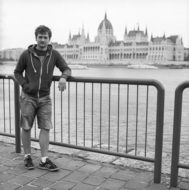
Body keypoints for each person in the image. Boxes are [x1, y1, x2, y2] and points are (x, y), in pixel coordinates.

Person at [14, 25, 71, 171]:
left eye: (45, 37)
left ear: (49, 39)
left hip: (45, 98)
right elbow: (17, 72)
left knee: (45, 128)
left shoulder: (54, 55)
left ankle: (44, 160)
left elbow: (66, 68)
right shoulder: (26, 54)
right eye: (40, 37)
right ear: (36, 38)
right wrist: (25, 86)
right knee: (26, 128)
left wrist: (63, 78)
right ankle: (27, 157)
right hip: (28, 97)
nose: (42, 40)